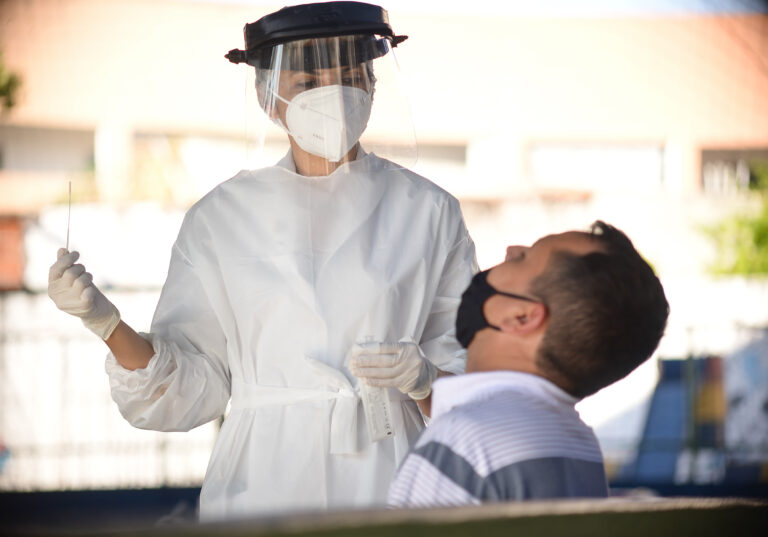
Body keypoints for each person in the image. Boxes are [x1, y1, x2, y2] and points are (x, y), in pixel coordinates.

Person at [47, 1, 477, 521]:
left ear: (372, 85)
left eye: (349, 76)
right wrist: (105, 323)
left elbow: (471, 382)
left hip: (391, 465)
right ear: (270, 98)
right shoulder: (222, 218)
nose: (333, 97)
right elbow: (187, 387)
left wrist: (425, 379)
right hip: (265, 469)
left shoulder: (427, 210)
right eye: (308, 81)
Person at [387, 221, 669, 507]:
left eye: (524, 258)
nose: (510, 251)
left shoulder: (465, 443)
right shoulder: (580, 444)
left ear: (522, 317)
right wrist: (427, 384)